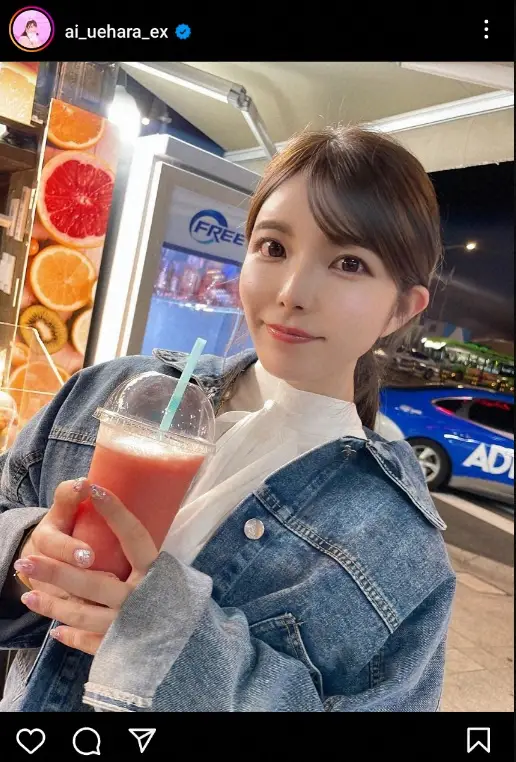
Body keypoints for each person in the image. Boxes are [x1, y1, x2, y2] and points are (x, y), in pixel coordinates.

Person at [0, 126, 455, 713]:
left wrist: (177, 650)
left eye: (349, 263)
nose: (292, 292)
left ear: (402, 309)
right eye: (273, 248)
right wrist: (27, 551)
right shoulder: (108, 392)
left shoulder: (399, 552)